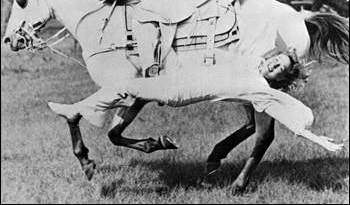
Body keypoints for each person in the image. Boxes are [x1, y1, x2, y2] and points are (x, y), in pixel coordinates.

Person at [49, 47, 344, 152]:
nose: (271, 66)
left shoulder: (261, 89)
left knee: (127, 86)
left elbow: (290, 113)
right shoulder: (253, 62)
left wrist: (316, 138)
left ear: (281, 78)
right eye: (274, 60)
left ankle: (76, 112)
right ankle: (86, 113)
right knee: (128, 85)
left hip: (180, 92)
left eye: (278, 68)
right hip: (180, 76)